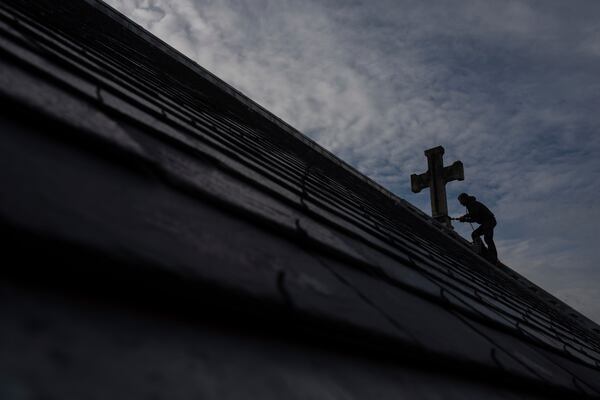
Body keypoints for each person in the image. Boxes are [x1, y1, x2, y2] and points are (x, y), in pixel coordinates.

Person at [456, 193, 498, 263]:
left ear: (464, 199)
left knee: (487, 238)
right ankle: (484, 252)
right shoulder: (470, 205)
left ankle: (493, 257)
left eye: (461, 201)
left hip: (489, 221)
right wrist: (465, 217)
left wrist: (465, 219)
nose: (460, 203)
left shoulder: (472, 204)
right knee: (475, 234)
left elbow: (474, 216)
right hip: (486, 222)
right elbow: (473, 215)